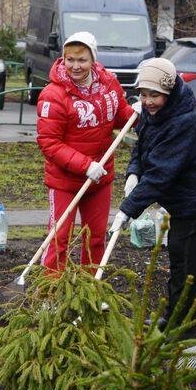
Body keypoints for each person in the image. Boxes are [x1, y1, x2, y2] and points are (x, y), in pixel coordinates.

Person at [110, 58, 196, 339]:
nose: (148, 101)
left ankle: (183, 329)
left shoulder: (185, 122)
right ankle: (173, 318)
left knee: (185, 255)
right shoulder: (152, 115)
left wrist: (128, 209)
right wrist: (132, 173)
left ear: (169, 91)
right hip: (183, 192)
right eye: (143, 94)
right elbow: (142, 149)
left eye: (155, 95)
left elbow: (161, 173)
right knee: (179, 254)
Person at [36, 31, 136, 271]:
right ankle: (49, 293)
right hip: (65, 181)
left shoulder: (108, 83)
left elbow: (120, 116)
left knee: (96, 238)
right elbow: (49, 143)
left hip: (100, 178)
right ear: (63, 59)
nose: (75, 66)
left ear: (93, 60)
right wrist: (85, 165)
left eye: (82, 60)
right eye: (70, 59)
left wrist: (136, 113)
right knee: (59, 238)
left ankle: (89, 289)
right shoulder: (53, 95)